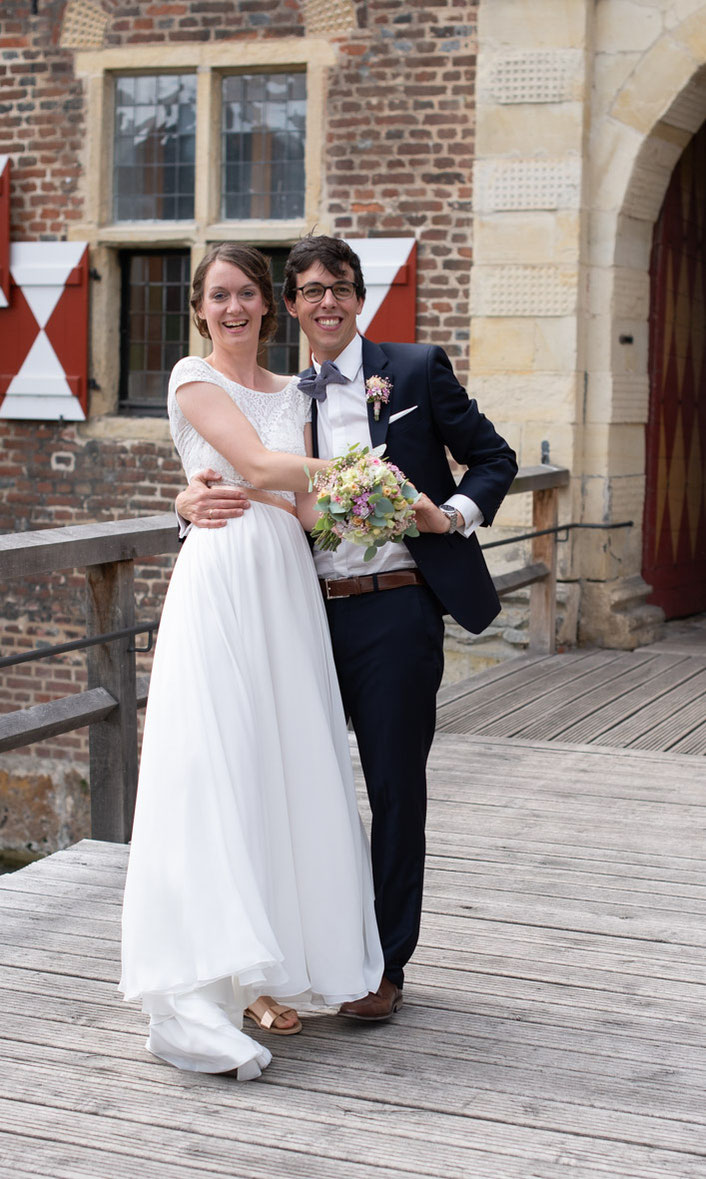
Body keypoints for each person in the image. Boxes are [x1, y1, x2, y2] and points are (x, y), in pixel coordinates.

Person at [176, 234, 518, 1022]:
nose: (326, 301)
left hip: (397, 606)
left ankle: (384, 964)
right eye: (310, 290)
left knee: (397, 786)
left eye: (341, 286)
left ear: (361, 296)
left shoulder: (416, 369)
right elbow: (243, 480)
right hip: (297, 613)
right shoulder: (281, 394)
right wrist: (184, 505)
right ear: (288, 306)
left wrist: (449, 513)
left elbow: (493, 460)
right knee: (302, 783)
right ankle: (311, 952)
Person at [120, 243, 384, 1080]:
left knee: (284, 762)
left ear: (270, 305)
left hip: (285, 583)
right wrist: (354, 468)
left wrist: (363, 503)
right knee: (218, 762)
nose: (234, 307)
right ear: (200, 308)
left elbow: (299, 504)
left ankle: (265, 968)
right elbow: (264, 466)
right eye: (219, 295)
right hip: (224, 574)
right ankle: (202, 982)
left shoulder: (291, 391)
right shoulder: (192, 376)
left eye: (247, 294)